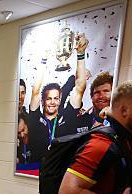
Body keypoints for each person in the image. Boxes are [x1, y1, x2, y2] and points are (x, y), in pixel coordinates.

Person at [27, 33, 92, 164]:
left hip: (61, 173)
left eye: (56, 98)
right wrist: (44, 60)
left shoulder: (67, 116)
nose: (52, 102)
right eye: (49, 98)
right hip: (35, 171)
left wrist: (80, 54)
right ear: (43, 101)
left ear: (60, 100)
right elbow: (35, 92)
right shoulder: (36, 118)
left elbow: (80, 88)